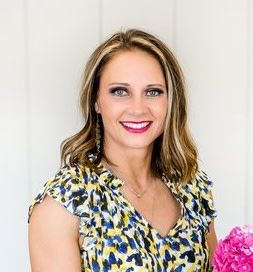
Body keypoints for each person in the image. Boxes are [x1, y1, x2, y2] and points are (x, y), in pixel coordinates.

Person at [28, 28, 218, 271]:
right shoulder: (64, 204)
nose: (138, 109)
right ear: (96, 101)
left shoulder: (193, 188)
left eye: (153, 91)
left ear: (171, 101)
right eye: (120, 91)